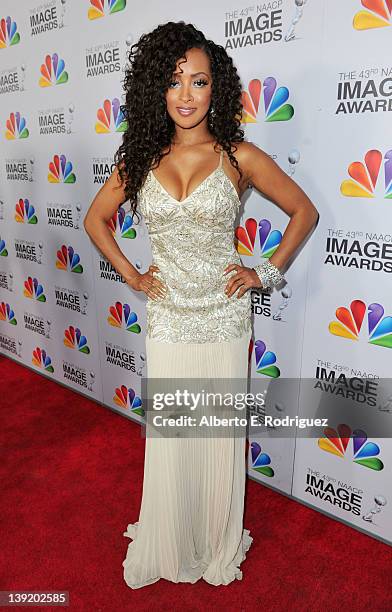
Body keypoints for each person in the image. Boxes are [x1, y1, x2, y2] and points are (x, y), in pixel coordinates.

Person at [83, 21, 319, 588]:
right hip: (167, 316)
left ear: (217, 88)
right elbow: (95, 219)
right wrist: (134, 275)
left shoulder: (238, 155)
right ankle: (169, 535)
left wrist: (261, 271)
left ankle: (214, 538)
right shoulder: (140, 157)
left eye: (199, 81)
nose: (186, 95)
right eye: (174, 82)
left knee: (214, 433)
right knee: (172, 431)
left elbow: (304, 212)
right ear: (156, 90)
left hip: (222, 316)